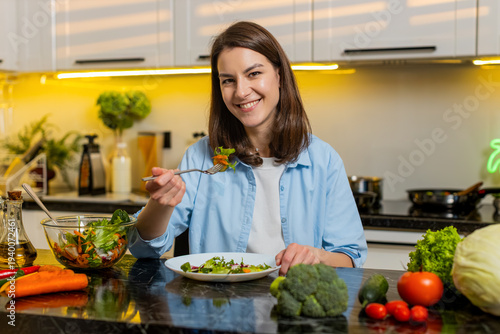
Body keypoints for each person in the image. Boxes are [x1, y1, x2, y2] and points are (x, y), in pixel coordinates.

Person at [129, 21, 367, 275]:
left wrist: (316, 256)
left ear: (279, 75)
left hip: (294, 306)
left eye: (254, 74)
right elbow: (142, 249)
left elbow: (351, 257)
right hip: (216, 307)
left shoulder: (323, 159)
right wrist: (160, 203)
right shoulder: (201, 157)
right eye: (228, 80)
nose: (241, 92)